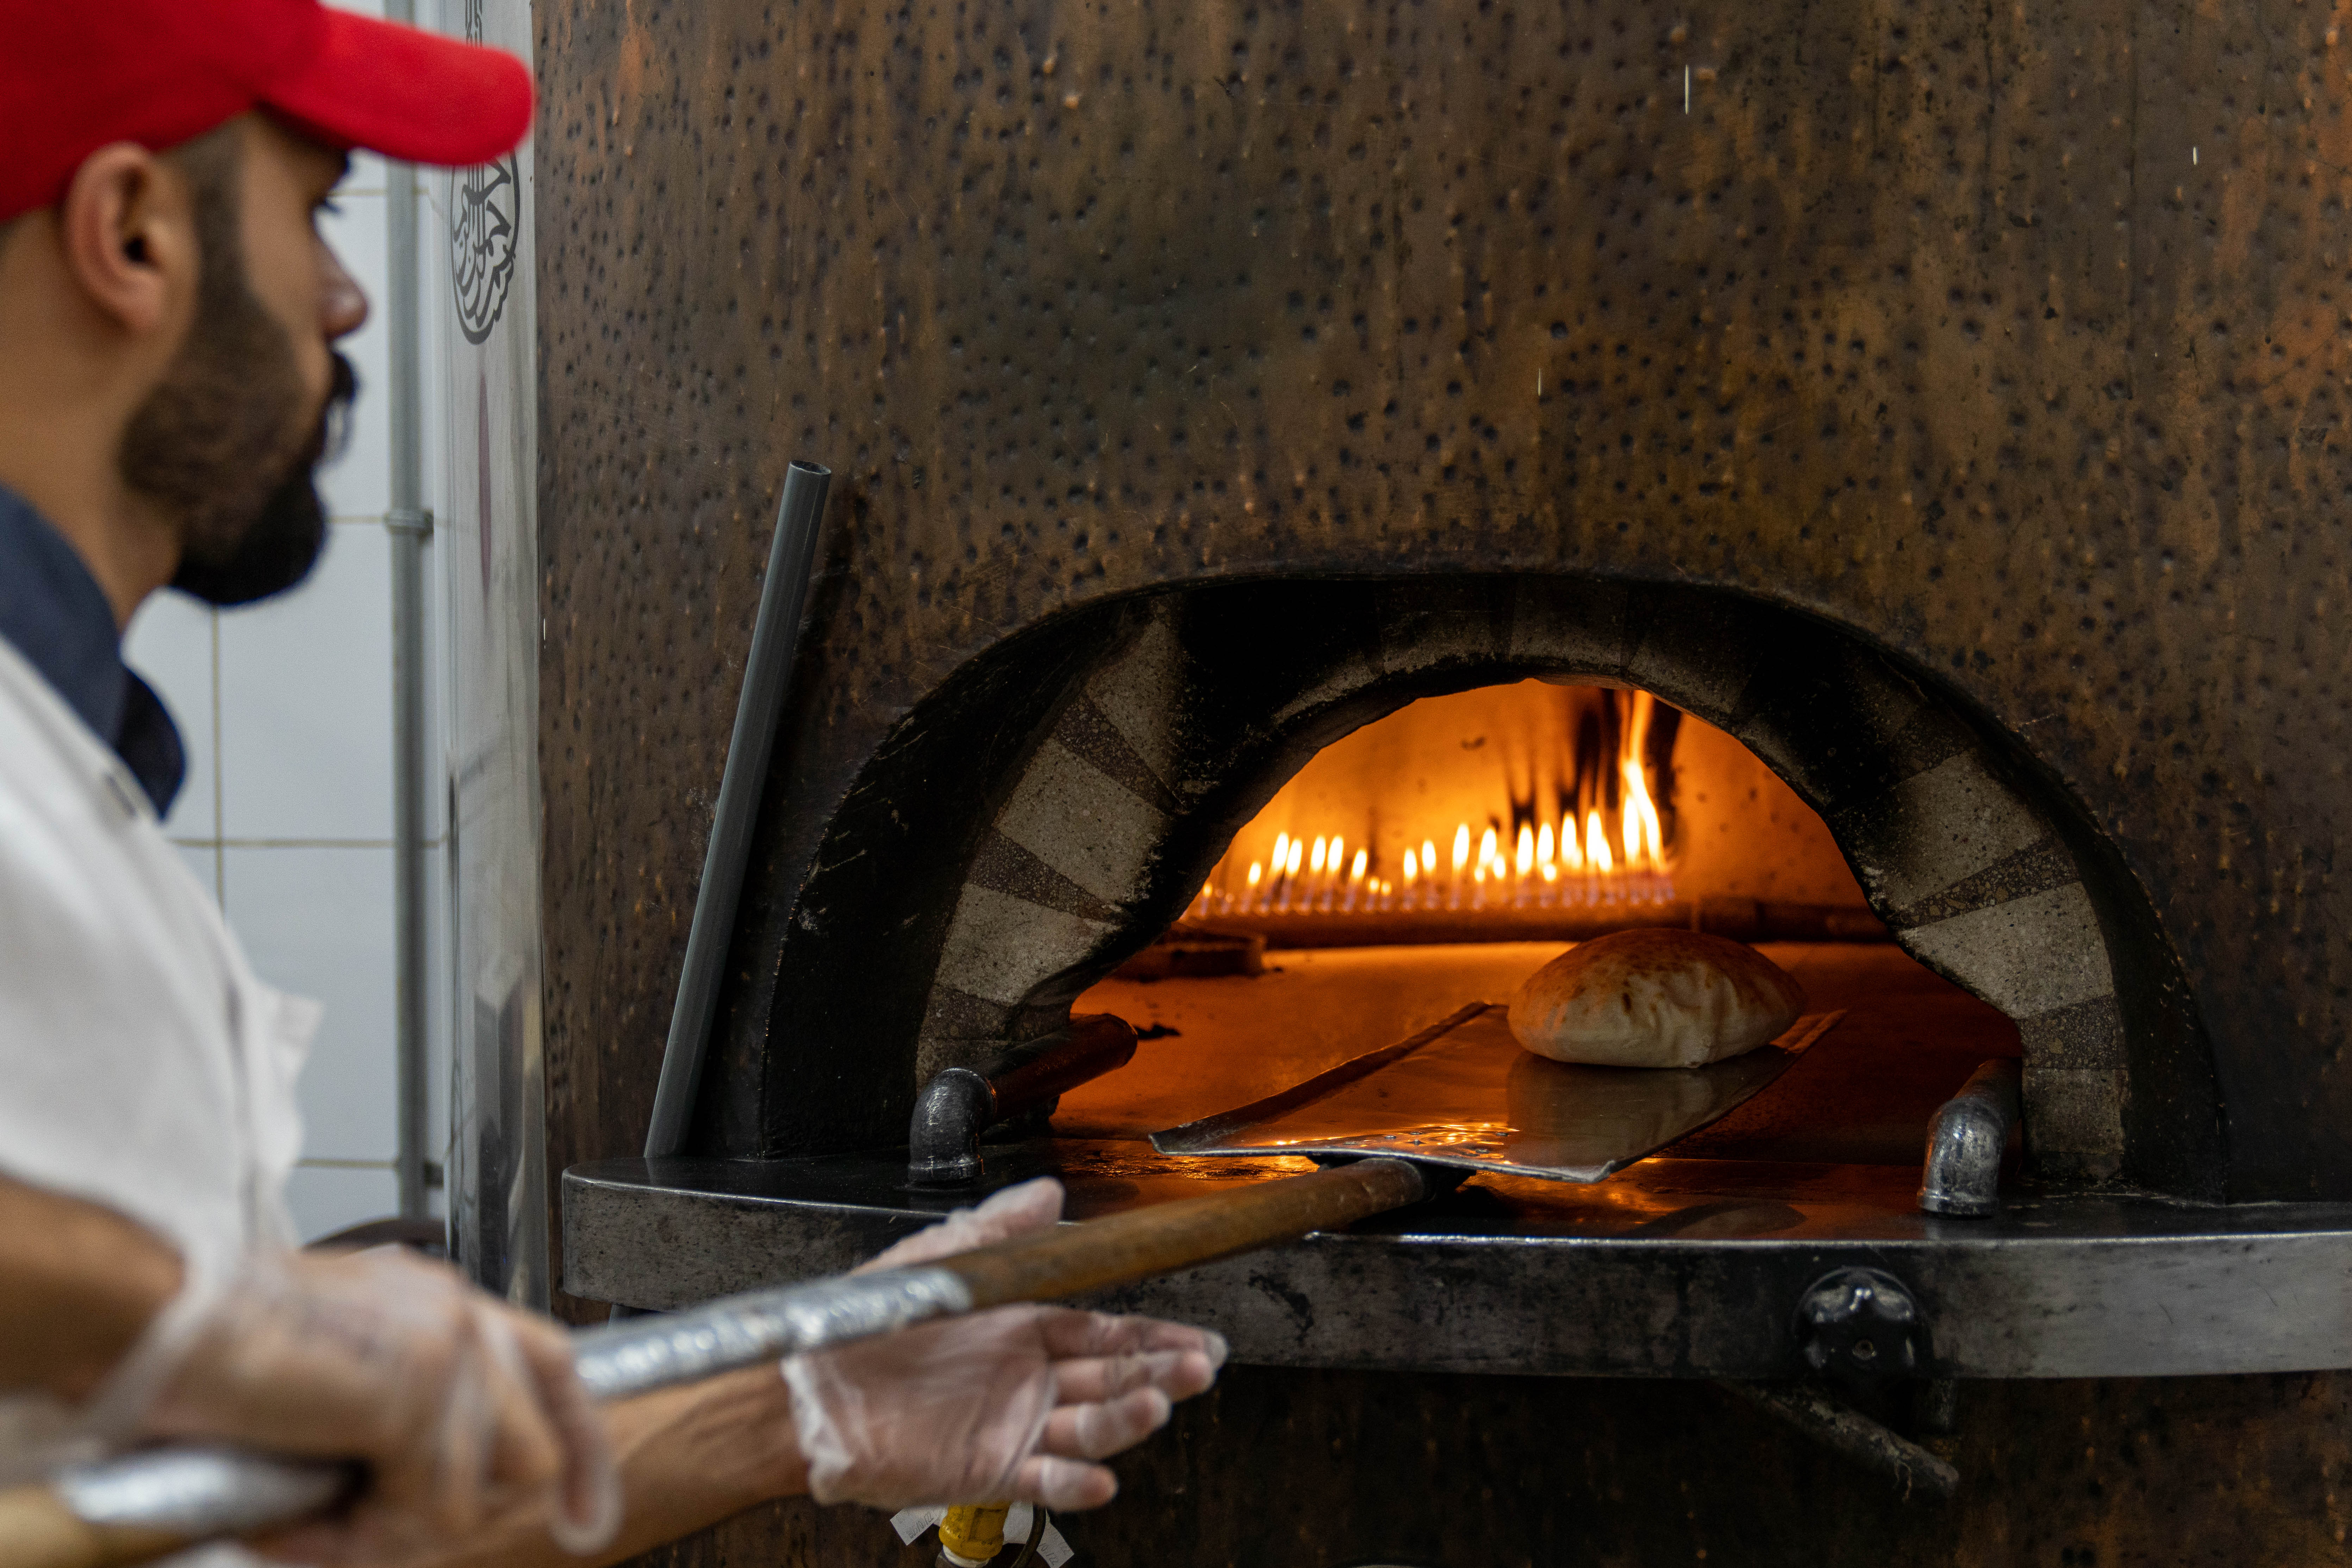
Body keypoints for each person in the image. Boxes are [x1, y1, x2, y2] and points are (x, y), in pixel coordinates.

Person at [0, 2, 1224, 1563]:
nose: (347, 293)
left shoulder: (66, 769)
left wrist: (804, 1408)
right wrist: (232, 1319)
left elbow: (283, 1538)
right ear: (129, 236)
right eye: (308, 217)